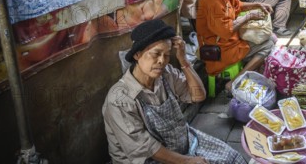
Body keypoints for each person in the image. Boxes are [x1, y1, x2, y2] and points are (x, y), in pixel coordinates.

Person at [103, 19, 246, 164]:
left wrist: (183, 60)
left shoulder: (165, 74)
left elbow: (198, 96)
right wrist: (186, 161)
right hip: (150, 159)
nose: (162, 61)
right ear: (137, 55)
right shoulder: (120, 100)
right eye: (156, 53)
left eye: (166, 55)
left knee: (233, 158)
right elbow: (145, 148)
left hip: (180, 142)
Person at [196, 0, 275, 92]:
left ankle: (249, 72)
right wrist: (249, 16)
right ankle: (235, 81)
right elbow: (226, 30)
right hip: (220, 49)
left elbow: (237, 5)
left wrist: (257, 4)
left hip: (229, 42)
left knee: (272, 37)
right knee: (268, 44)